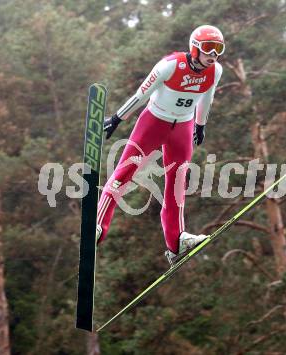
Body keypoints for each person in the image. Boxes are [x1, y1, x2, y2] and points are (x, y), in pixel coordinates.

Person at [96, 25, 224, 265]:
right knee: (125, 171)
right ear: (194, 48)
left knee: (177, 185)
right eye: (208, 48)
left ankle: (176, 244)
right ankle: (99, 226)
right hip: (154, 122)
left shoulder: (215, 71)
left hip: (183, 127)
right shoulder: (170, 65)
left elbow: (207, 98)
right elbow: (141, 95)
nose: (213, 55)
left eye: (218, 49)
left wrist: (200, 125)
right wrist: (116, 119)